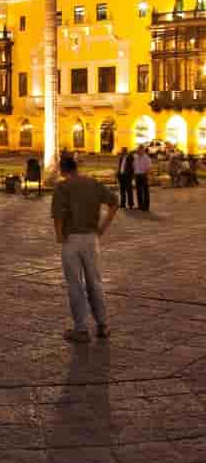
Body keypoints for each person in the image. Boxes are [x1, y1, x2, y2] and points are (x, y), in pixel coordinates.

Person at [50, 155, 117, 343]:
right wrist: (103, 227)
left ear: (63, 170)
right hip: (91, 238)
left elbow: (58, 216)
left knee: (75, 283)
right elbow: (114, 202)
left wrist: (59, 235)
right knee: (94, 281)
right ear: (76, 168)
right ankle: (102, 325)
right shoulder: (93, 183)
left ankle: (81, 329)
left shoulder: (63, 187)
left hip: (72, 239)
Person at [133, 144, 153, 212]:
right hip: (137, 175)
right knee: (138, 191)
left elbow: (149, 167)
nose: (138, 151)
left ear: (142, 150)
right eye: (137, 150)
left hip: (143, 175)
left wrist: (146, 174)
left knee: (145, 192)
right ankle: (140, 206)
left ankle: (146, 207)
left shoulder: (146, 158)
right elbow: (134, 165)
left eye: (139, 150)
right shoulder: (135, 157)